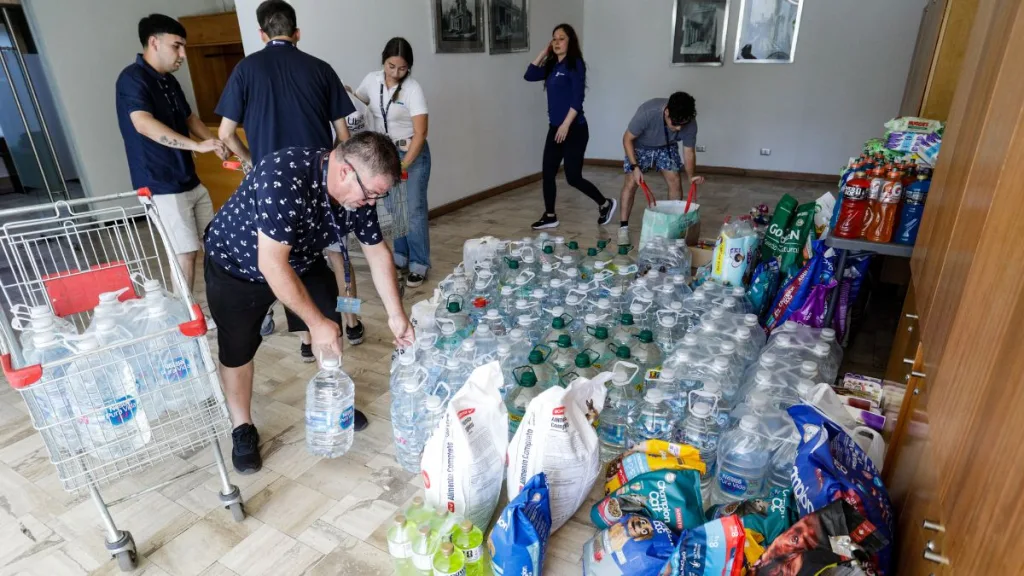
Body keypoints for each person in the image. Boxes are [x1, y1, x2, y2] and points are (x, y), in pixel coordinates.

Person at [204, 132, 414, 474]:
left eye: (380, 195)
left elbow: (376, 252)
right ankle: (242, 427)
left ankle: (332, 402)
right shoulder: (283, 176)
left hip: (299, 257)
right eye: (372, 193)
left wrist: (396, 315)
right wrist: (314, 325)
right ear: (346, 171)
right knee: (237, 348)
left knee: (329, 319)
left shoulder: (357, 196)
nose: (373, 202)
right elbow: (271, 263)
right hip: (238, 264)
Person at [215, 0, 365, 360]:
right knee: (336, 253)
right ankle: (352, 320)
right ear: (297, 33)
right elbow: (344, 136)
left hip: (271, 192)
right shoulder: (321, 69)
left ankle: (305, 341)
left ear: (262, 34)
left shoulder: (246, 69)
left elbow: (225, 133)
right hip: (320, 187)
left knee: (280, 258)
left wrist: (251, 161)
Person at [115, 14, 229, 292]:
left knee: (216, 244)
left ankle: (225, 307)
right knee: (185, 253)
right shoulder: (132, 79)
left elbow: (189, 118)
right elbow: (143, 124)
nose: (183, 55)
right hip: (160, 184)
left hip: (189, 179)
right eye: (176, 46)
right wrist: (196, 145)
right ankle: (184, 319)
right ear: (154, 42)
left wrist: (212, 141)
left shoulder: (169, 81)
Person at [350, 37, 431, 288]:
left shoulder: (413, 89)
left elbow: (421, 133)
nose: (396, 73)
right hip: (384, 153)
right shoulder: (372, 80)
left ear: (410, 67)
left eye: (402, 68)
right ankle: (401, 255)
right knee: (396, 208)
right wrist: (347, 93)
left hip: (411, 153)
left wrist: (404, 165)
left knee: (414, 210)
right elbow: (363, 101)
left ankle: (419, 263)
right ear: (383, 61)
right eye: (391, 66)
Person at [524, 23, 616, 231]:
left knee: (573, 177)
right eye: (554, 39)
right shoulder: (552, 66)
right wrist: (543, 52)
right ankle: (550, 216)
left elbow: (577, 99)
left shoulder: (575, 64)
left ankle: (605, 204)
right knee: (548, 173)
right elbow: (529, 75)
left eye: (561, 38)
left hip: (574, 129)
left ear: (570, 41)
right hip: (555, 128)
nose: (557, 42)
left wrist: (566, 125)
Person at [618, 92, 705, 241]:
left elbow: (689, 151)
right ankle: (623, 228)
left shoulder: (689, 122)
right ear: (667, 112)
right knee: (631, 182)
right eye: (675, 124)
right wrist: (635, 167)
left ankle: (672, 226)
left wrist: (691, 176)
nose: (678, 129)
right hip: (640, 146)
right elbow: (627, 139)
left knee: (675, 180)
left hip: (666, 146)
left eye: (682, 125)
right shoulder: (648, 112)